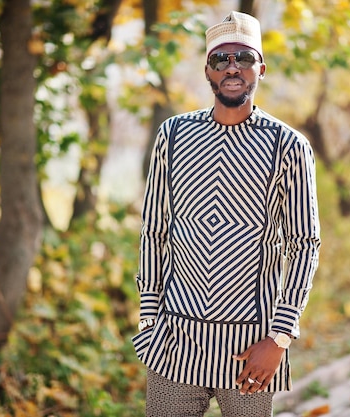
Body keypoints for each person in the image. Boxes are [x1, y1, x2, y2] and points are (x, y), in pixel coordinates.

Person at [133, 10, 321, 417]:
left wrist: (279, 339)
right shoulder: (173, 135)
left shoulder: (289, 146)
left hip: (251, 352)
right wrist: (150, 317)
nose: (233, 67)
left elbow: (305, 244)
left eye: (244, 58)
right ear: (208, 71)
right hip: (174, 343)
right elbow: (155, 230)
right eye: (222, 59)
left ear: (261, 69)